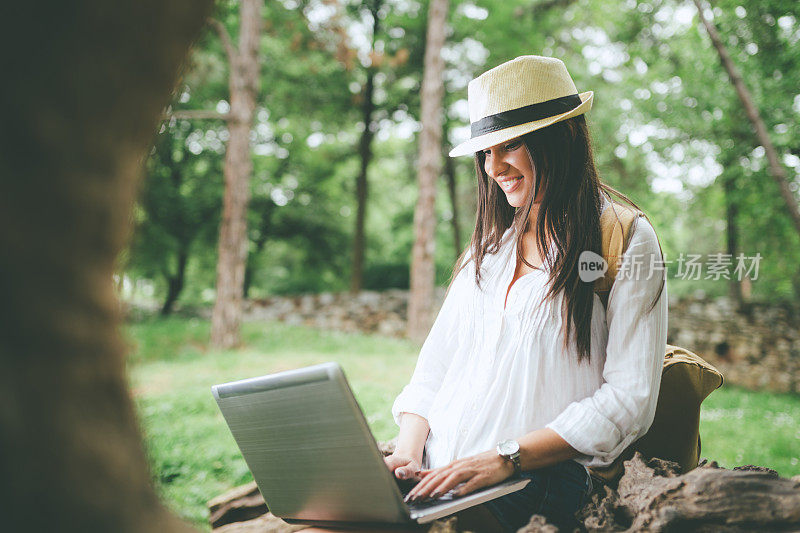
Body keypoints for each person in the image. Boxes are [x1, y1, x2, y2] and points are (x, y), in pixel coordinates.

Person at [384, 55, 668, 532]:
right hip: (436, 478)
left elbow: (629, 399)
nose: (494, 167)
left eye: (510, 146)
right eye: (484, 152)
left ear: (560, 138)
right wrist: (408, 452)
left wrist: (505, 458)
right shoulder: (489, 247)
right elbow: (434, 370)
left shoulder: (622, 238)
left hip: (535, 483)